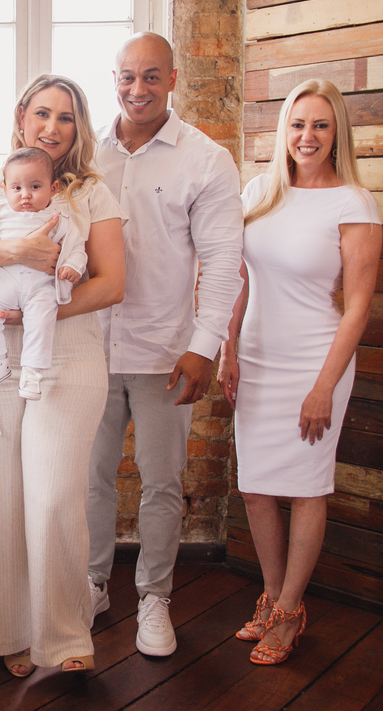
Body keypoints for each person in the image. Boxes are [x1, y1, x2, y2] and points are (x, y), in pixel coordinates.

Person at [0, 74, 126, 675]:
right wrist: (20, 255)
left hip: (68, 353)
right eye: (42, 114)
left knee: (52, 497)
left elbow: (111, 281)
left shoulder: (92, 193)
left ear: (79, 129)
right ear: (21, 117)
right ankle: (9, 634)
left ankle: (65, 635)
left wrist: (42, 309)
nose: (53, 127)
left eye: (67, 117)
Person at [86, 32, 244, 657]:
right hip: (89, 351)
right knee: (88, 479)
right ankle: (93, 584)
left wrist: (205, 345)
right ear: (114, 80)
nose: (137, 89)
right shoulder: (84, 152)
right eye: (127, 76)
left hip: (164, 353)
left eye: (152, 76)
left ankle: (155, 597)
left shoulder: (206, 160)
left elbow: (224, 261)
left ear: (174, 80)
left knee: (161, 484)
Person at [218, 79, 381, 665]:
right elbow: (238, 278)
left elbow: (358, 304)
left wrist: (323, 387)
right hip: (256, 354)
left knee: (308, 486)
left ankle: (289, 611)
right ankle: (270, 593)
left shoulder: (353, 203)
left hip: (317, 359)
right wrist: (227, 347)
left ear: (337, 133)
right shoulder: (261, 190)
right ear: (283, 130)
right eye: (296, 124)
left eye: (319, 126)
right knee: (256, 485)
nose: (306, 137)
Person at [0, 146, 88, 400]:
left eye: (35, 187)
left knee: (41, 321)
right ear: (5, 188)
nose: (25, 196)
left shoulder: (59, 218)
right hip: (1, 283)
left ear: (53, 188)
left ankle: (33, 372)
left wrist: (73, 265)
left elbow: (77, 247)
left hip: (39, 286)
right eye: (17, 188)